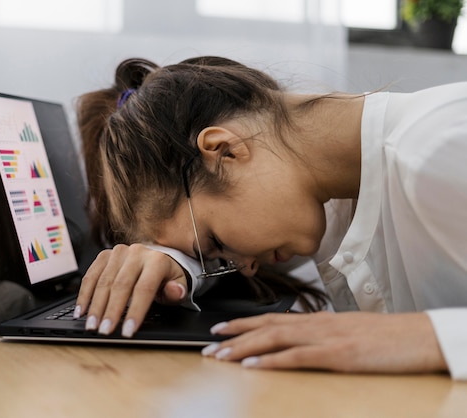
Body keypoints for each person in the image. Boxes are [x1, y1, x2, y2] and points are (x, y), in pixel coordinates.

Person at [73, 56, 467, 380]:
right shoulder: (327, 198)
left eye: (217, 244)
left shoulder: (441, 148)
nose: (245, 266)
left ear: (225, 151)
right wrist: (173, 261)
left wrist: (427, 337)